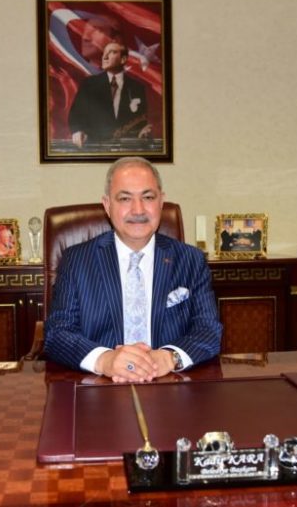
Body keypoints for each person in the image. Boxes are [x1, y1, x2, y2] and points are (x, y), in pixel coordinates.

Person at [44, 157, 222, 383]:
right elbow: (57, 333)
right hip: (100, 386)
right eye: (125, 198)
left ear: (161, 202)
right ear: (107, 205)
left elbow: (208, 330)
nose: (138, 210)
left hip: (168, 383)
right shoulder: (76, 260)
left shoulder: (191, 260)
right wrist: (105, 360)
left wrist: (170, 357)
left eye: (148, 197)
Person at [68, 42, 152, 148]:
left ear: (123, 59)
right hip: (95, 147)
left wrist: (143, 130)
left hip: (126, 149)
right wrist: (77, 130)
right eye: (104, 53)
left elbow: (140, 121)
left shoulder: (137, 87)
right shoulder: (89, 84)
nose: (105, 57)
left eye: (112, 52)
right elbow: (76, 114)